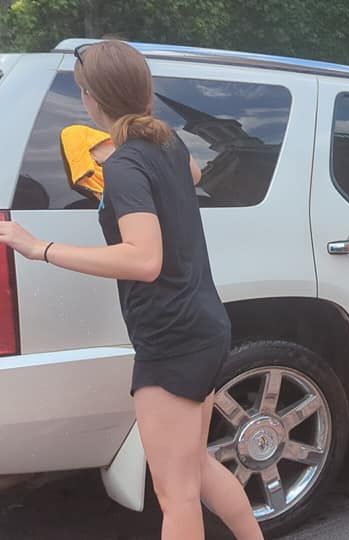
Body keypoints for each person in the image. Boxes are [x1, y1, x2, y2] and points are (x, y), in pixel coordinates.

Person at [0, 41, 262, 540]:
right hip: (203, 325)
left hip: (171, 339)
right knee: (197, 470)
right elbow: (194, 174)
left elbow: (144, 259)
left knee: (175, 493)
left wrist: (40, 248)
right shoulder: (167, 144)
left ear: (90, 98)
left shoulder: (123, 166)